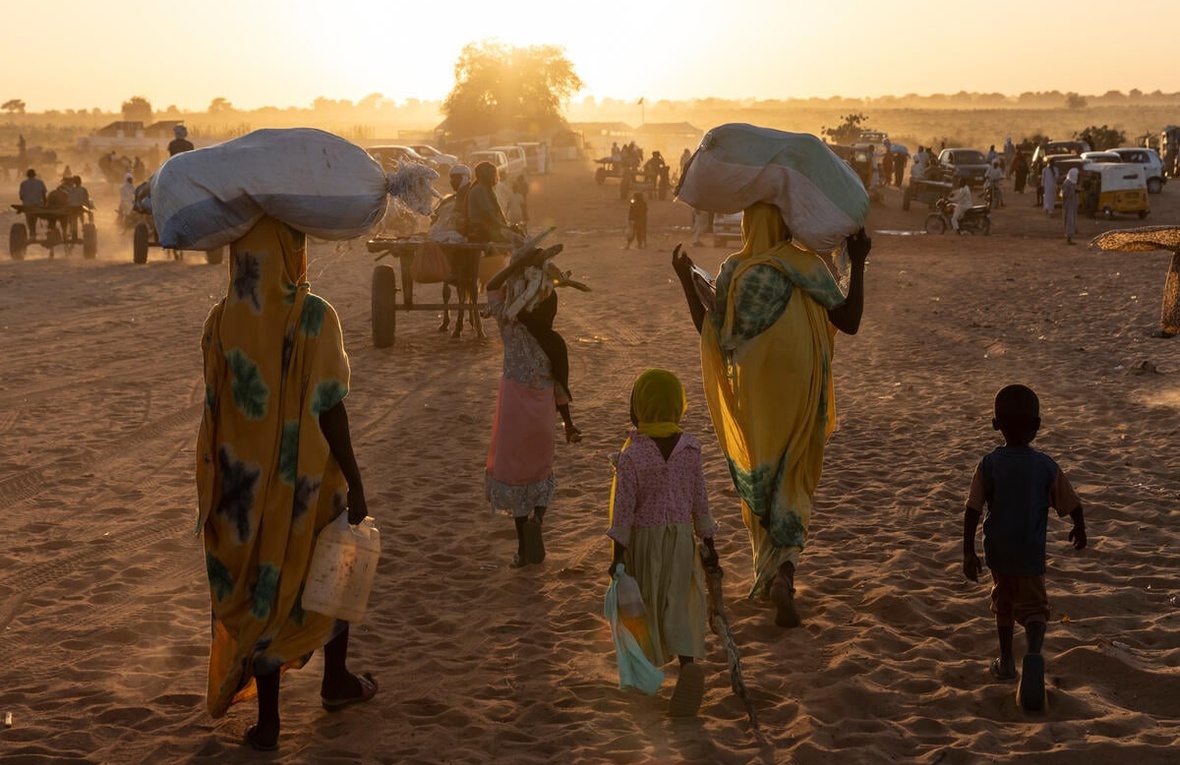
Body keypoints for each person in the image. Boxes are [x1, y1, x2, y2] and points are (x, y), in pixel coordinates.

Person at [196, 217, 376, 751]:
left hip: (240, 491)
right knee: (331, 569)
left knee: (258, 588)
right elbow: (331, 408)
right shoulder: (315, 317)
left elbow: (215, 406)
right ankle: (336, 682)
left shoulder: (221, 318)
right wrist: (357, 480)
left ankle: (270, 722)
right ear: (291, 251)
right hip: (308, 483)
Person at [671, 203, 870, 628]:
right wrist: (860, 261)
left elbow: (711, 331)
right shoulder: (804, 263)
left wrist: (686, 280)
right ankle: (785, 574)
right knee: (794, 474)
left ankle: (775, 569)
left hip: (758, 397)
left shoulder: (734, 271)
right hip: (800, 387)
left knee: (765, 474)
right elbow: (849, 320)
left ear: (747, 225)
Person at [961, 384, 1086, 711]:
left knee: (1003, 601)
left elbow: (972, 509)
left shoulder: (988, 464)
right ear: (1037, 426)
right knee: (1034, 608)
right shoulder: (1045, 466)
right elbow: (1072, 504)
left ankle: (1006, 661)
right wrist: (1079, 528)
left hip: (998, 553)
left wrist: (967, 551)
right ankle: (1033, 652)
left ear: (995, 424)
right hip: (1030, 553)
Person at [607, 368, 718, 717]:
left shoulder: (631, 456)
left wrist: (617, 557)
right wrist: (710, 543)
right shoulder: (691, 448)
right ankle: (688, 664)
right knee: (681, 606)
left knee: (645, 609)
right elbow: (700, 499)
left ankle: (647, 670)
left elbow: (623, 513)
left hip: (644, 544)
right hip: (683, 541)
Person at [484, 242, 582, 569]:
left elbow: (491, 288)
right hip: (542, 413)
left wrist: (516, 264)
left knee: (515, 476)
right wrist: (568, 423)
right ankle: (538, 519)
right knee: (540, 474)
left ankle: (521, 551)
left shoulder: (509, 327)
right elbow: (560, 388)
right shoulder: (554, 344)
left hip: (514, 409)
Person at [466, 161, 513, 245]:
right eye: (492, 174)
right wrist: (504, 227)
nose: (494, 177)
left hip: (485, 228)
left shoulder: (482, 189)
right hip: (482, 230)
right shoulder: (480, 190)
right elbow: (488, 215)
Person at [18, 168, 47, 236]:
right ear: (35, 175)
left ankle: (32, 231)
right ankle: (33, 231)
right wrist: (45, 204)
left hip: (27, 205)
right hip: (38, 205)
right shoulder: (40, 182)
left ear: (27, 175)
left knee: (29, 218)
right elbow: (44, 195)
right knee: (34, 218)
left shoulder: (23, 183)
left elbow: (21, 197)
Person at [64, 175, 92, 239]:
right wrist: (89, 206)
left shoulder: (69, 190)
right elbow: (86, 199)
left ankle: (72, 230)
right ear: (80, 182)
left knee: (72, 217)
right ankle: (88, 225)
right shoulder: (83, 189)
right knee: (90, 213)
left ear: (74, 182)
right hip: (79, 207)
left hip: (71, 208)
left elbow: (67, 199)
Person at [1061, 167, 1079, 244]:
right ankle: (1068, 238)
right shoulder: (1066, 183)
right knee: (1069, 220)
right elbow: (1064, 194)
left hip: (1072, 203)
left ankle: (1070, 236)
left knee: (1072, 220)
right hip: (1068, 204)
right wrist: (1072, 192)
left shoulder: (1072, 183)